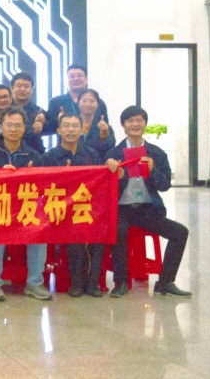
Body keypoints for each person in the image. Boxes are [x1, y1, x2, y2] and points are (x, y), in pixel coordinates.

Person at [106, 105, 191, 298]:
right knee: (118, 231)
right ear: (123, 125)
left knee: (180, 232)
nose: (135, 124)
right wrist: (115, 177)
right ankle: (121, 283)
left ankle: (165, 282)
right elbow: (105, 190)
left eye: (139, 120)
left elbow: (165, 185)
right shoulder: (113, 154)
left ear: (145, 124)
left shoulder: (156, 153)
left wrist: (152, 170)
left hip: (148, 210)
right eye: (130, 121)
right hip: (122, 209)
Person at [0, 105, 48, 302]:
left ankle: (34, 283)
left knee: (39, 229)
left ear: (25, 128)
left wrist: (29, 176)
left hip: (25, 207)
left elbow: (42, 188)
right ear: (1, 127)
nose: (13, 129)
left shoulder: (34, 155)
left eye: (18, 125)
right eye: (9, 125)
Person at [43, 113, 116, 298]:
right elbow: (43, 187)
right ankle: (76, 282)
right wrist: (63, 178)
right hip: (61, 211)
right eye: (66, 126)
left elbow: (102, 181)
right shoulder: (49, 157)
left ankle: (93, 282)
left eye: (75, 126)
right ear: (59, 131)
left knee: (99, 231)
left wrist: (112, 168)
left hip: (87, 209)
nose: (71, 130)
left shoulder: (92, 155)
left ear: (81, 130)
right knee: (75, 232)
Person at [45, 64, 109, 136]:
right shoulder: (56, 102)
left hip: (93, 143)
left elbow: (106, 130)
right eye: (71, 76)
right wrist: (59, 121)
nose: (75, 79)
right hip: (66, 142)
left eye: (79, 76)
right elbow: (48, 130)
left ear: (86, 79)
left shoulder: (98, 103)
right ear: (67, 79)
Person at [10, 72, 47, 153]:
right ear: (12, 88)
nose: (22, 89)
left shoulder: (39, 112)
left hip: (34, 153)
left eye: (26, 86)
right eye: (19, 86)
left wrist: (43, 125)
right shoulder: (4, 110)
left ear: (32, 90)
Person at [78, 88, 115, 157]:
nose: (88, 104)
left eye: (92, 101)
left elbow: (111, 149)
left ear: (97, 105)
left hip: (97, 162)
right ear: (79, 103)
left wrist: (104, 138)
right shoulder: (71, 125)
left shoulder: (104, 127)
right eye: (84, 100)